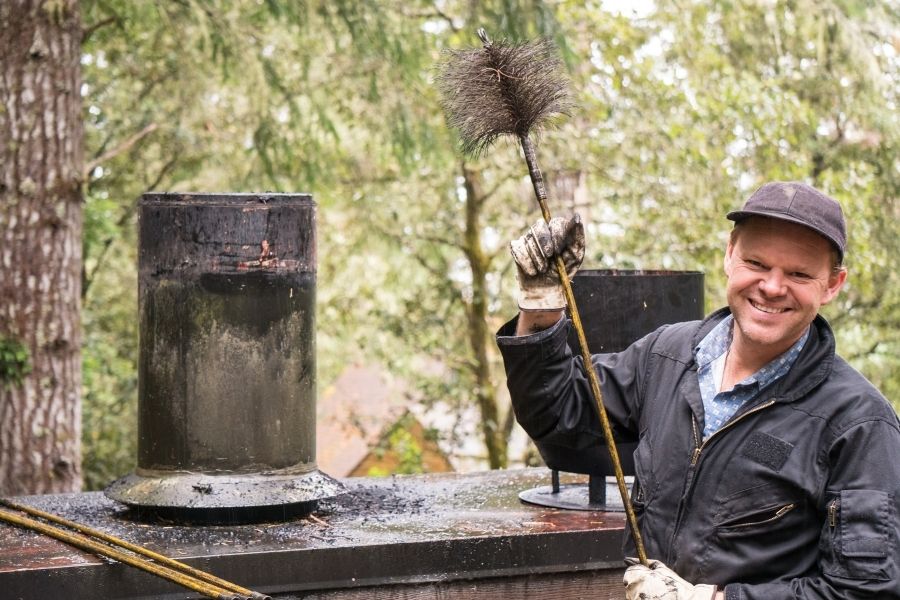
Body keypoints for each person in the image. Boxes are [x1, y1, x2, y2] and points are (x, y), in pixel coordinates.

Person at [496, 181, 900, 599]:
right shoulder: (667, 355)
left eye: (798, 273)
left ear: (833, 284)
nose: (773, 287)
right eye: (757, 263)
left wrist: (714, 599)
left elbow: (864, 590)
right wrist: (541, 307)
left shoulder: (859, 425)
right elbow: (559, 411)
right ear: (730, 254)